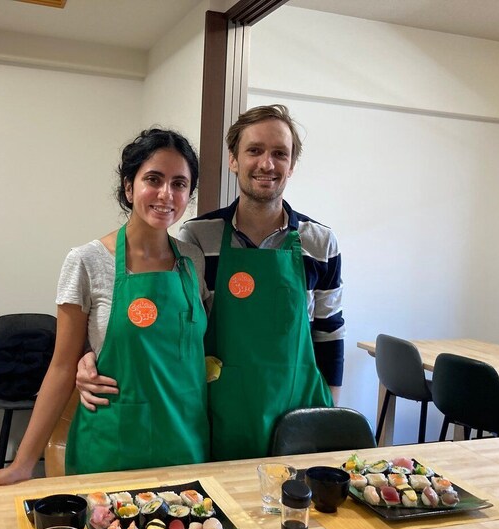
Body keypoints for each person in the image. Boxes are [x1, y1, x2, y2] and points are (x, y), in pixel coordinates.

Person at [77, 105, 344, 462]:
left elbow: (329, 332)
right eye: (254, 150)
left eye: (279, 153)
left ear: (291, 164)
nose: (267, 164)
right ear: (233, 160)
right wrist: (89, 357)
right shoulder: (198, 239)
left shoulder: (321, 243)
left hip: (296, 417)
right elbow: (172, 330)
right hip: (219, 416)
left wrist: (329, 416)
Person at [0, 128, 209, 486]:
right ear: (129, 187)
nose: (166, 194)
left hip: (187, 446)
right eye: (153, 179)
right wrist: (23, 464)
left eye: (179, 184)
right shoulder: (87, 261)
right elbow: (61, 367)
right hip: (113, 447)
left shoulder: (192, 259)